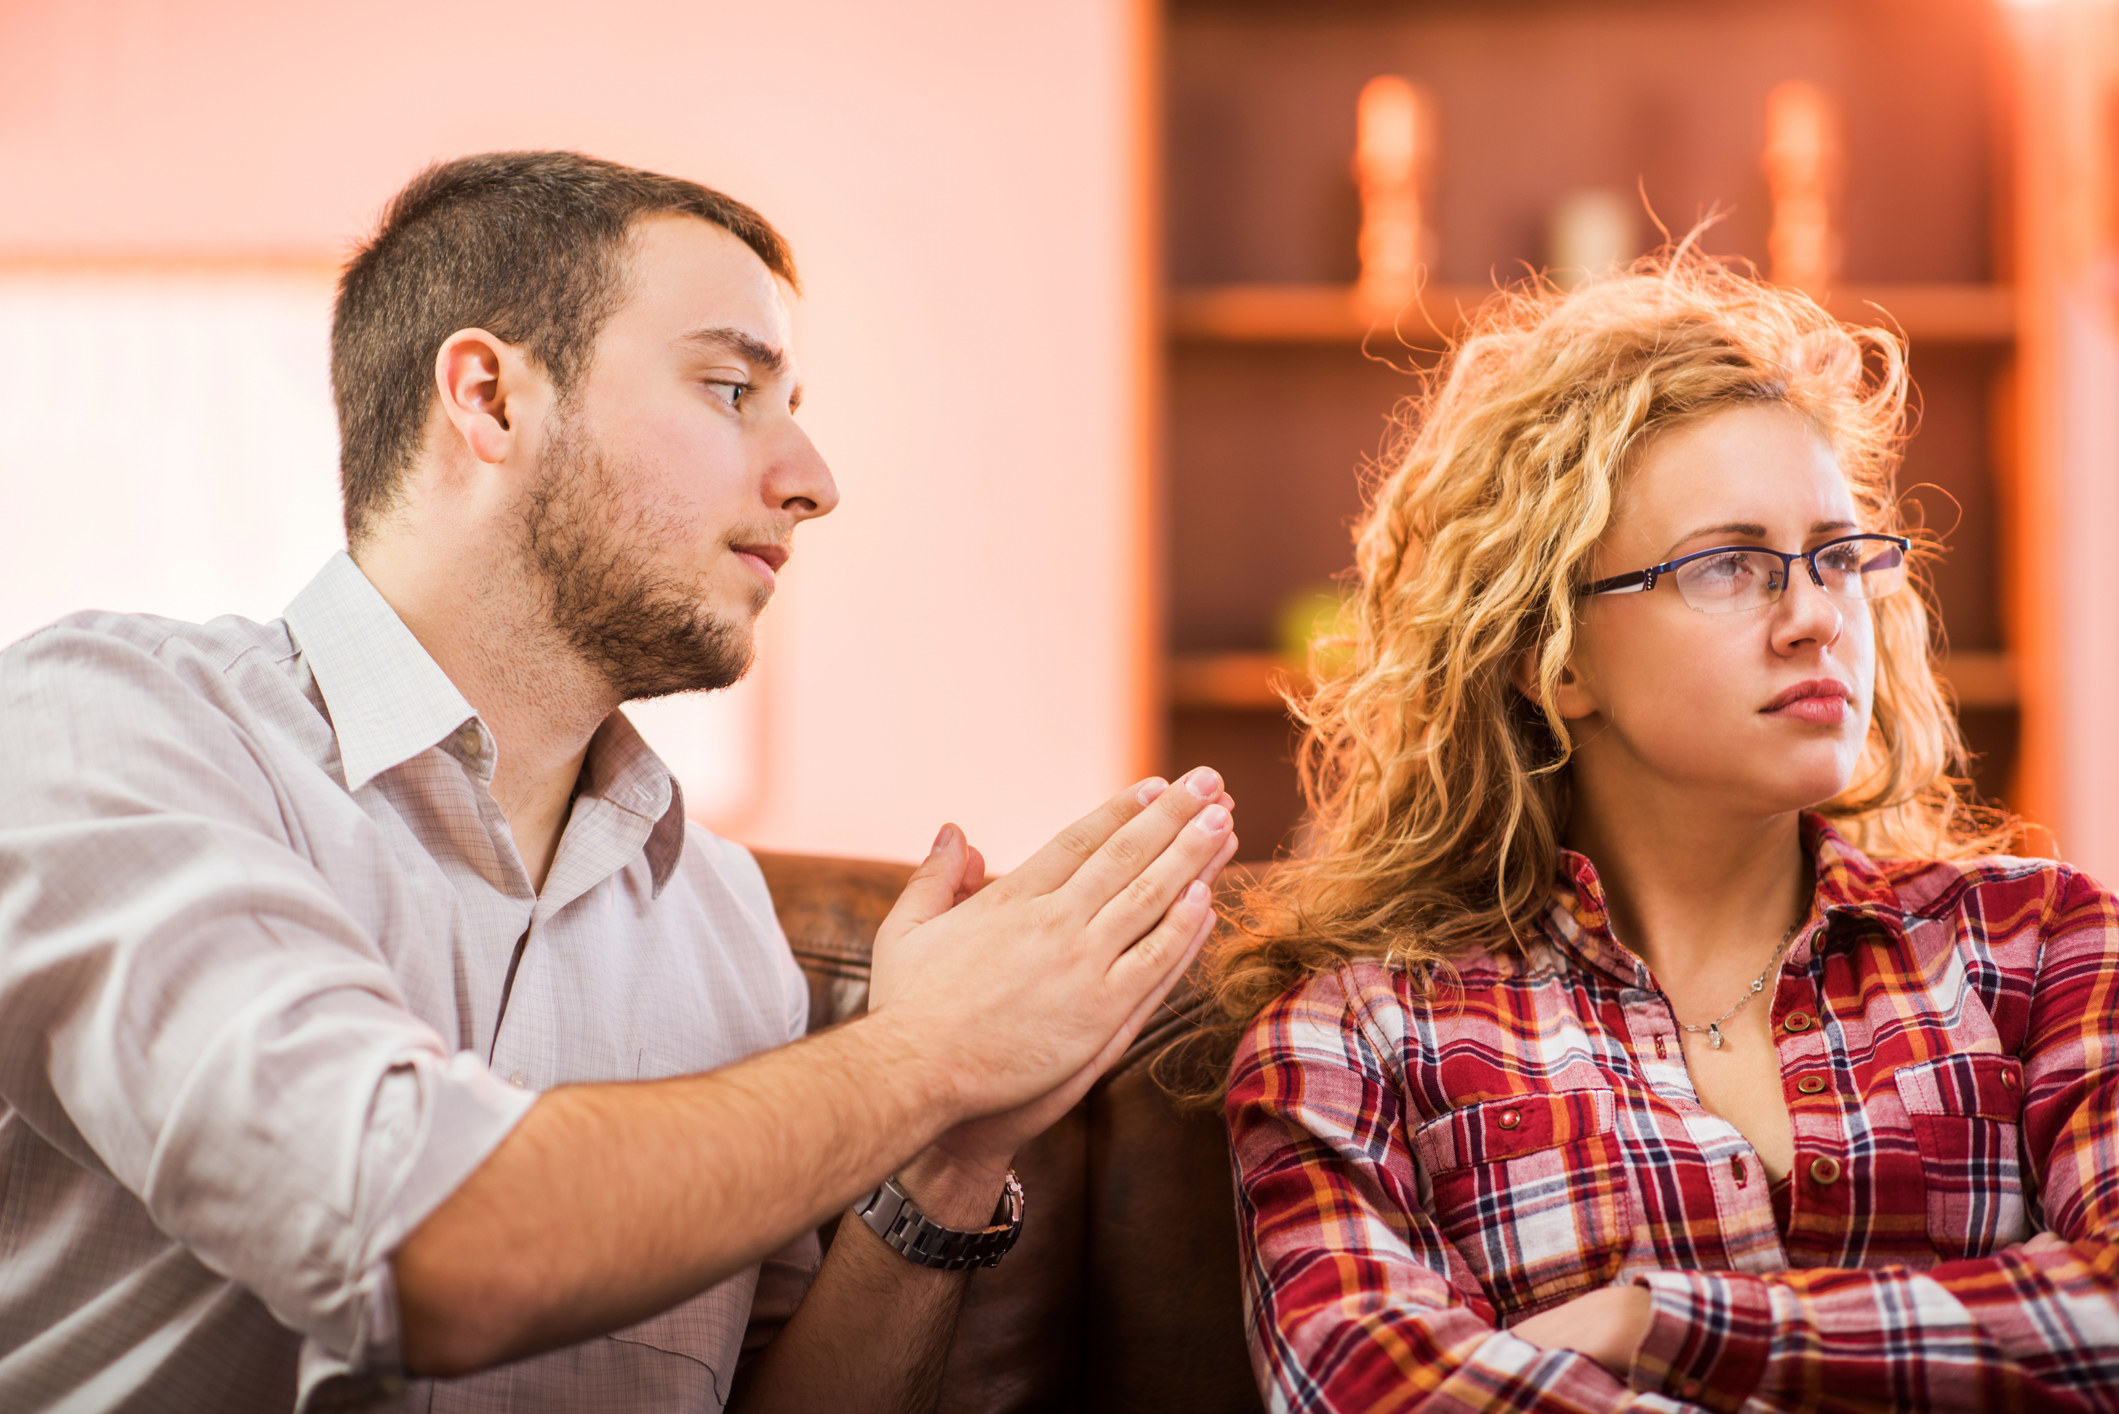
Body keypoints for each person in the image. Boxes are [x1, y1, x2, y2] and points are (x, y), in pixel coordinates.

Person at [0, 150, 1240, 1412]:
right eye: (729, 388)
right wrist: (928, 1054)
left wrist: (949, 1156)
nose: (811, 481)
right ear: (487, 400)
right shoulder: (103, 731)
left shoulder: (722, 923)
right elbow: (426, 1243)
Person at [1212, 249, 2119, 1411]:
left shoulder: (2039, 947)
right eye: (1731, 565)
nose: (1814, 619)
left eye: (1836, 558)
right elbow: (1367, 1387)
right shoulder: (1361, 1036)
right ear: (1558, 656)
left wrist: (1660, 1323)